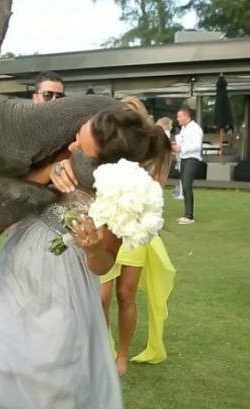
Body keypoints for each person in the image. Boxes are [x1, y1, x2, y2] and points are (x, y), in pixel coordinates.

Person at [0, 107, 173, 409]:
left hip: (64, 289)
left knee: (52, 388)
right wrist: (45, 174)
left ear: (105, 166)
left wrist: (94, 248)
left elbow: (104, 263)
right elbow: (3, 190)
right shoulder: (59, 152)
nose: (71, 147)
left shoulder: (116, 197)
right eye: (76, 138)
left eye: (80, 148)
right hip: (16, 273)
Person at [99, 105, 176, 376]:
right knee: (102, 297)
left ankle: (122, 355)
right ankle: (102, 349)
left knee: (125, 294)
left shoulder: (154, 144)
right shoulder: (107, 144)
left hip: (135, 231)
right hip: (107, 225)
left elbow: (160, 183)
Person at [172, 105, 203, 224]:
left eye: (179, 116)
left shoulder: (195, 129)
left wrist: (181, 148)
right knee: (185, 186)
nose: (178, 119)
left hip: (192, 159)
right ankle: (187, 214)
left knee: (186, 185)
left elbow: (196, 146)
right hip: (184, 158)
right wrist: (176, 146)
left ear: (186, 116)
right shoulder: (184, 129)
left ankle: (189, 216)